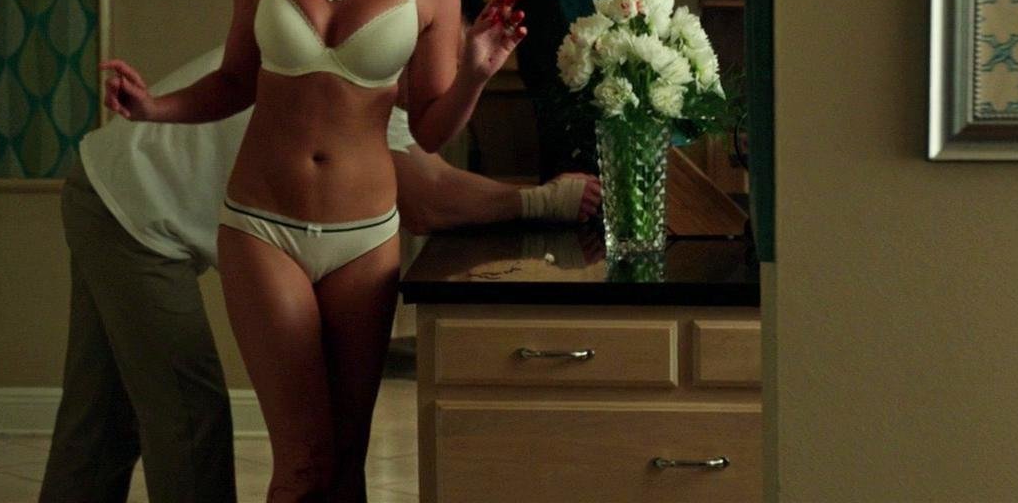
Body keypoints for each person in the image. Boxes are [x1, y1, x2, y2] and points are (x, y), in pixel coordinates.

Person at [95, 0, 528, 501]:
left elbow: (428, 130)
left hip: (365, 238)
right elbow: (235, 81)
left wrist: (476, 74)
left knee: (346, 466)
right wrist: (153, 107)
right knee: (301, 462)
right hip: (262, 227)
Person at [40, 46, 600, 503]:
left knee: (99, 418)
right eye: (447, 55)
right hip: (130, 209)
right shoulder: (354, 77)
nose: (447, 75)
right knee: (189, 415)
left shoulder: (371, 76)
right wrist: (541, 200)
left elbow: (427, 175)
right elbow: (428, 199)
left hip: (105, 182)